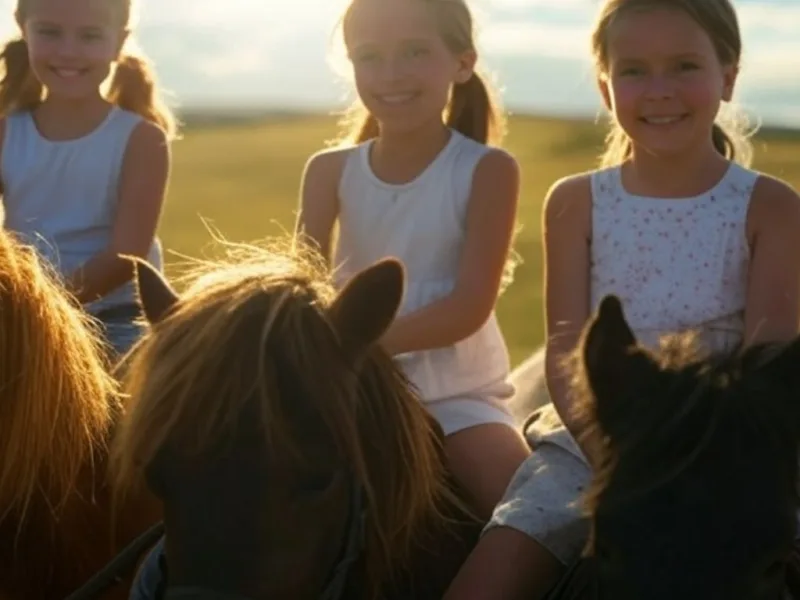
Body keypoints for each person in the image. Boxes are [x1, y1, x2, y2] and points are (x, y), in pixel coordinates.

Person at [444, 0, 800, 598]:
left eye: (684, 65)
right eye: (634, 70)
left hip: (736, 453)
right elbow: (566, 351)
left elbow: (767, 368)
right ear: (607, 89)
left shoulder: (771, 206)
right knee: (489, 578)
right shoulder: (576, 201)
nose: (659, 90)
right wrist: (616, 455)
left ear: (729, 77)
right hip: (597, 440)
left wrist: (699, 459)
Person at [295, 0, 531, 520]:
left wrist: (354, 341)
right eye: (370, 56)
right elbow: (299, 289)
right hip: (346, 389)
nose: (391, 73)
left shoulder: (487, 169)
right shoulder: (328, 171)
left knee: (532, 513)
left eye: (415, 52)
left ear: (462, 63)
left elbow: (468, 306)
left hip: (456, 399)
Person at [0, 0, 177, 360]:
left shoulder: (141, 139)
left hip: (114, 324)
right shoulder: (6, 132)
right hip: (22, 319)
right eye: (50, 32)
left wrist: (43, 310)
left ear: (118, 42)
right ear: (23, 26)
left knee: (122, 412)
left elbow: (125, 256)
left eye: (89, 36)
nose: (68, 51)